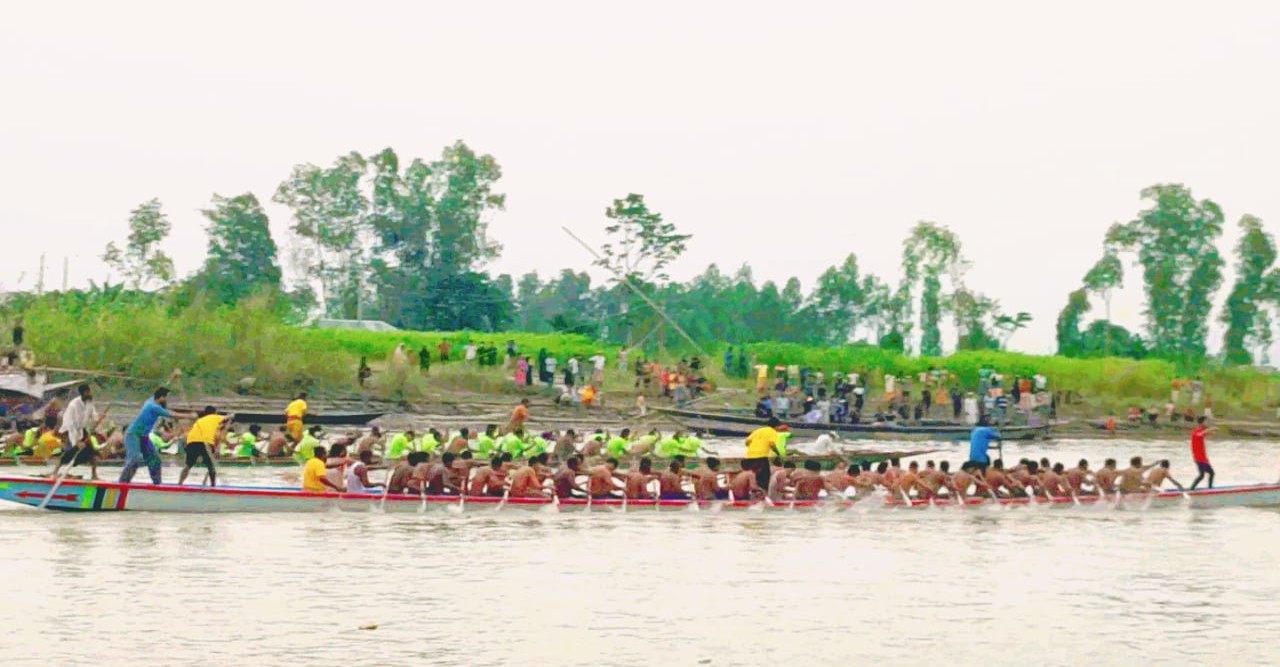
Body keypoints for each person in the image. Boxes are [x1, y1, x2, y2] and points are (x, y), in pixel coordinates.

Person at [50, 383, 100, 481]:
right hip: (69, 431)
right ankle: (55, 473)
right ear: (83, 393)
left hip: (82, 430)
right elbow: (70, 425)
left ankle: (94, 475)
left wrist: (96, 419)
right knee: (69, 453)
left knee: (92, 452)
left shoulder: (89, 401)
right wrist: (76, 441)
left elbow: (93, 414)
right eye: (88, 392)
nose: (90, 393)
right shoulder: (73, 405)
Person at [179, 406, 228, 486]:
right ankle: (213, 486)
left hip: (192, 442)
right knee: (211, 465)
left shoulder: (200, 421)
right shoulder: (214, 417)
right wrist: (232, 416)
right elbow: (228, 418)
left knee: (188, 465)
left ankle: (179, 484)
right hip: (204, 442)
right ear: (214, 412)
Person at [744, 417, 781, 491]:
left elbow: (747, 442)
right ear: (776, 426)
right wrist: (777, 452)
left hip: (750, 456)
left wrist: (753, 448)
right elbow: (771, 444)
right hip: (761, 457)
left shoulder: (758, 430)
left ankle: (753, 492)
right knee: (764, 477)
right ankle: (763, 494)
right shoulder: (772, 431)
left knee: (754, 475)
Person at [1189, 416, 1215, 490]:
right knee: (1209, 473)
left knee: (1203, 475)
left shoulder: (1200, 431)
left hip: (1201, 457)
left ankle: (1192, 489)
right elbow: (1200, 434)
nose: (1207, 423)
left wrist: (1210, 431)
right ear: (1202, 422)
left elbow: (1206, 434)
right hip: (1200, 458)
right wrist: (1210, 429)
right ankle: (1209, 489)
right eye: (1206, 422)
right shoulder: (1197, 430)